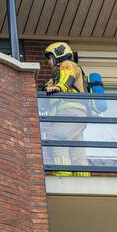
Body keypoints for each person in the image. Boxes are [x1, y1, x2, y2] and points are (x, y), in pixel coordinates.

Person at [43, 42, 89, 176]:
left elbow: (67, 78)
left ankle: (62, 173)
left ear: (58, 54)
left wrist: (59, 88)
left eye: (49, 58)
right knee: (76, 148)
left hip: (69, 111)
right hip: (78, 114)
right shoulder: (57, 74)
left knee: (58, 140)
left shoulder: (67, 65)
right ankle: (82, 177)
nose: (48, 62)